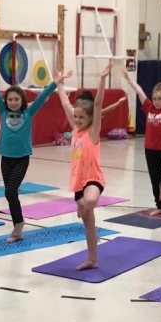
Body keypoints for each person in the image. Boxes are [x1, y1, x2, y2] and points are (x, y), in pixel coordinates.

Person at [0, 59, 59, 242]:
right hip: (5, 158)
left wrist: (55, 82)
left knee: (10, 192)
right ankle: (18, 227)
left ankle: (18, 225)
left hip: (22, 158)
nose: (13, 102)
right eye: (10, 99)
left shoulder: (28, 112)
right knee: (10, 192)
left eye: (16, 99)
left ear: (22, 100)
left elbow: (41, 98)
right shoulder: (3, 110)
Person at [56, 65, 105, 270]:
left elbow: (99, 104)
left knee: (91, 201)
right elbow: (65, 103)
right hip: (78, 182)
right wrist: (60, 83)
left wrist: (102, 80)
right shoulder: (76, 130)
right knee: (88, 224)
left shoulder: (92, 132)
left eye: (81, 117)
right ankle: (92, 259)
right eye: (76, 117)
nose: (77, 120)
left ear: (91, 118)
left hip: (93, 178)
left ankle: (81, 203)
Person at [121, 70, 161, 214]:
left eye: (159, 99)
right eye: (154, 98)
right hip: (150, 149)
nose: (156, 101)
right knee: (155, 178)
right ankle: (159, 207)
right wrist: (129, 78)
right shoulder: (149, 108)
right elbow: (139, 91)